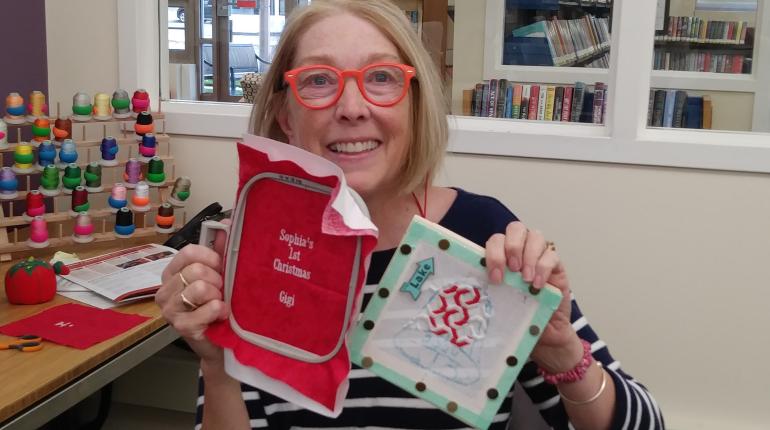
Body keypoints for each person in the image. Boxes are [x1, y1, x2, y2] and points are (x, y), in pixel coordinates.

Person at [155, 1, 664, 428]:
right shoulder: (263, 251)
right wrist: (219, 366)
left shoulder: (484, 234)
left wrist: (561, 352)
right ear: (287, 117)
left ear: (413, 106)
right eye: (317, 80)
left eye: (381, 78)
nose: (352, 107)